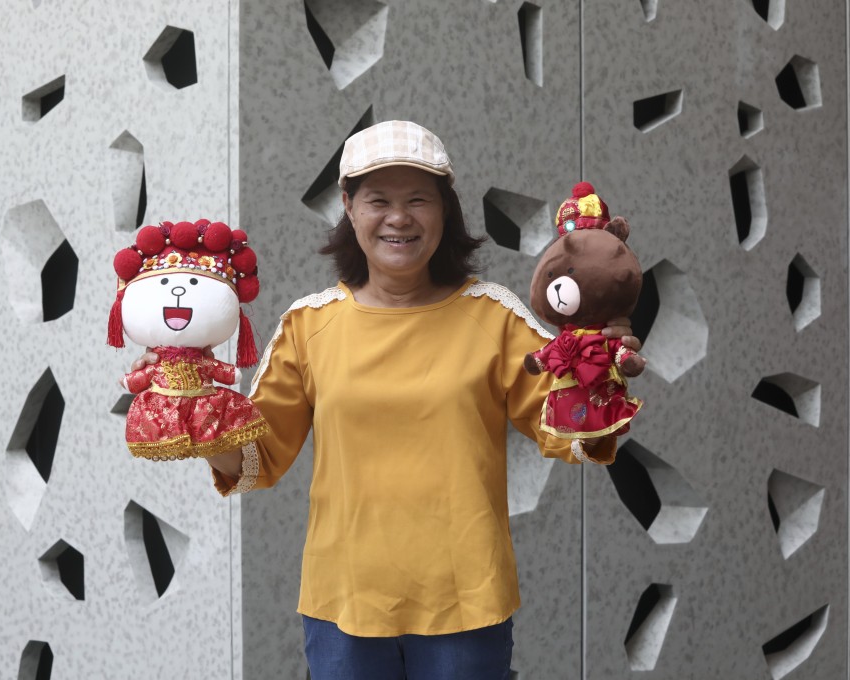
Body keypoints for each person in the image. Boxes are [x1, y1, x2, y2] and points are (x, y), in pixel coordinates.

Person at [135, 121, 640, 679]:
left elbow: (573, 430)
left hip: (466, 603)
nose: (398, 217)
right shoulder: (308, 325)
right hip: (343, 605)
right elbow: (257, 460)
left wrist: (605, 373)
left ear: (445, 211)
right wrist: (196, 408)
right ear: (349, 207)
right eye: (378, 199)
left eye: (418, 199)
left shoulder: (494, 317)